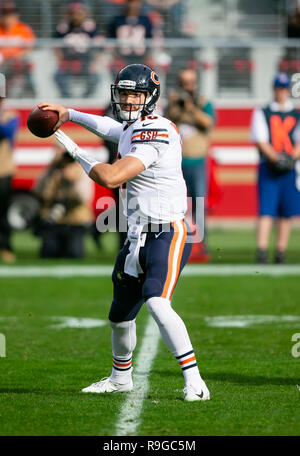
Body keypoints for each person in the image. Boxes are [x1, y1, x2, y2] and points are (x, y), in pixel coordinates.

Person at [39, 63, 210, 402]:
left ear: (151, 97)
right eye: (124, 93)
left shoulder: (157, 131)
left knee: (158, 303)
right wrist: (69, 113)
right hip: (136, 235)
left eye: (136, 94)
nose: (129, 100)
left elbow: (111, 177)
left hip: (167, 232)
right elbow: (112, 128)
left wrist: (73, 149)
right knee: (119, 315)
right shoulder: (135, 127)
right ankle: (120, 379)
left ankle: (195, 381)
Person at [164, 68, 214, 263]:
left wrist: (191, 108)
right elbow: (166, 121)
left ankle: (202, 245)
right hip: (175, 163)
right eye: (184, 82)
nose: (188, 86)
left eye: (191, 82)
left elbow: (208, 122)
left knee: (199, 205)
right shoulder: (174, 104)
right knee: (172, 206)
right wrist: (177, 104)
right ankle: (172, 242)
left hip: (197, 161)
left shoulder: (204, 103)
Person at [251, 72, 300, 264]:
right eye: (278, 88)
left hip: (289, 169)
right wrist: (275, 157)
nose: (281, 92)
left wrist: (290, 158)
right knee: (266, 210)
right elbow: (261, 139)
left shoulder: (296, 113)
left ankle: (280, 251)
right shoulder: (262, 111)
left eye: (284, 88)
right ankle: (261, 251)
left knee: (286, 212)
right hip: (269, 167)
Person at [34, 144, 94, 258]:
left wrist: (72, 182)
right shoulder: (52, 171)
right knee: (49, 253)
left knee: (74, 253)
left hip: (75, 222)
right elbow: (39, 193)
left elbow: (85, 198)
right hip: (53, 222)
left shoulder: (81, 171)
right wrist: (52, 178)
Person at [54, 1, 103, 98]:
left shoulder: (91, 27)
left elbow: (100, 47)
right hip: (69, 62)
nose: (76, 16)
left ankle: (86, 98)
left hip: (86, 62)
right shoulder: (63, 27)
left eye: (78, 13)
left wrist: (94, 63)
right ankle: (68, 97)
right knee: (57, 77)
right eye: (73, 13)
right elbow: (56, 47)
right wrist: (61, 61)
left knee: (96, 78)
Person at [107, 0, 154, 78]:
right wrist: (115, 56)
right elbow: (111, 39)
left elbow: (150, 39)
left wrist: (149, 56)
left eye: (135, 3)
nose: (133, 6)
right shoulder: (117, 20)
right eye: (130, 2)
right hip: (121, 55)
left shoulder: (145, 20)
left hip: (142, 55)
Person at [0, 1, 36, 97]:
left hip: (18, 63)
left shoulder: (23, 29)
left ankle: (32, 96)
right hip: (3, 64)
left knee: (26, 69)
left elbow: (29, 49)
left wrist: (15, 56)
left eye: (11, 15)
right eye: (5, 14)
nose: (8, 18)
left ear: (16, 16)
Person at [0, 95, 19, 262]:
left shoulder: (11, 116)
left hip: (3, 171)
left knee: (3, 212)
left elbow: (6, 132)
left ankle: (5, 247)